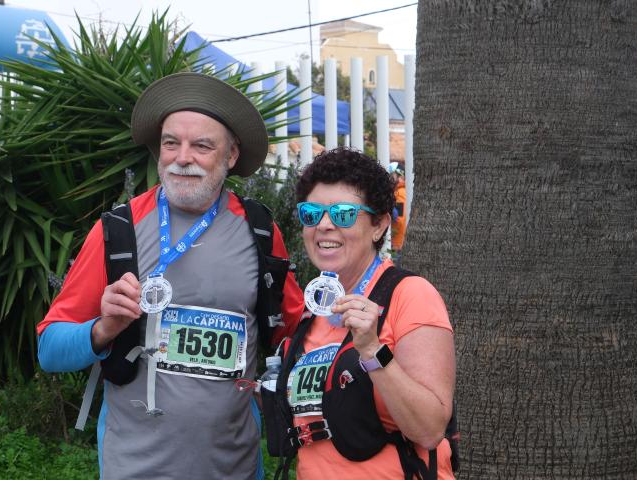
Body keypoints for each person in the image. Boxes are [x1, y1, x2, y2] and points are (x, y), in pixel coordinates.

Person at [36, 72, 304, 480]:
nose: (183, 157)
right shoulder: (118, 230)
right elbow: (49, 349)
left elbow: (295, 336)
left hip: (235, 468)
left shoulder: (260, 232)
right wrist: (103, 330)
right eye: (171, 143)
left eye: (201, 146)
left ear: (230, 156)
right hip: (134, 468)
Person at [268, 147, 455, 479]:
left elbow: (428, 430)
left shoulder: (410, 294)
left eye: (342, 214)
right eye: (311, 214)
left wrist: (371, 349)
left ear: (379, 225)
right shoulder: (317, 308)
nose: (324, 225)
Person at [388, 162, 407, 264]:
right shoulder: (399, 192)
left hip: (397, 244)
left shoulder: (400, 193)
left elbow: (399, 219)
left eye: (392, 175)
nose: (390, 178)